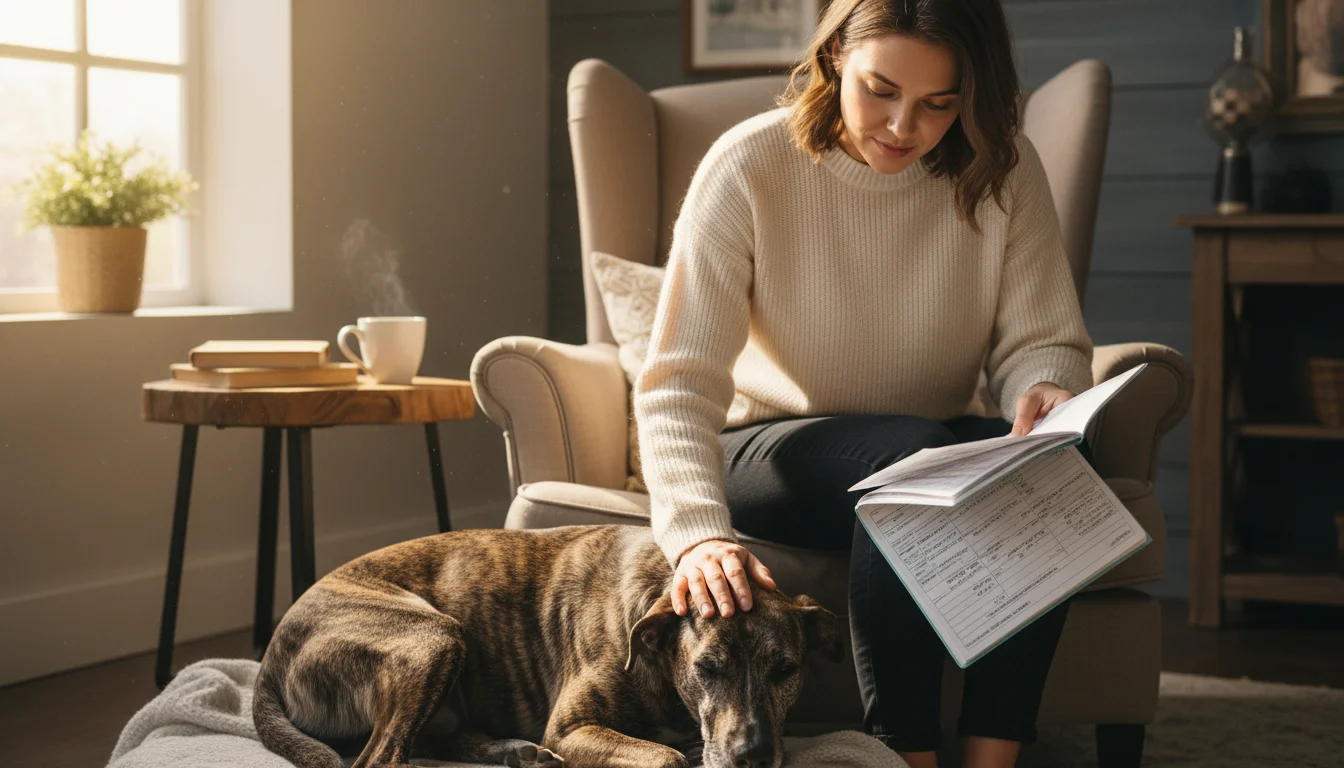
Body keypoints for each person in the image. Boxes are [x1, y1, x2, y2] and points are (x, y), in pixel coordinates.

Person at [631, 0, 1095, 766]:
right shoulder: (750, 164)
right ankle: (903, 755)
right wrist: (697, 535)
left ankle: (992, 755)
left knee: (1035, 470)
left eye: (939, 104)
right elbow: (678, 384)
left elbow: (1043, 343)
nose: (904, 126)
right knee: (914, 456)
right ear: (834, 60)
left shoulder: (1004, 173)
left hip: (929, 442)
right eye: (880, 89)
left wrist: (1044, 386)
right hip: (768, 447)